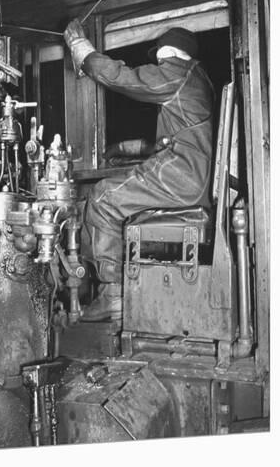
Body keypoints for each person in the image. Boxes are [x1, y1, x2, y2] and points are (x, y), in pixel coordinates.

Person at [64, 20, 215, 322]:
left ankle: (113, 294)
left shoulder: (178, 74)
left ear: (171, 52)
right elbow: (160, 142)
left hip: (182, 175)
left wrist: (81, 48)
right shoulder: (196, 81)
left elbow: (124, 78)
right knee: (114, 193)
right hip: (189, 175)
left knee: (103, 197)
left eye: (161, 55)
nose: (158, 60)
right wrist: (119, 148)